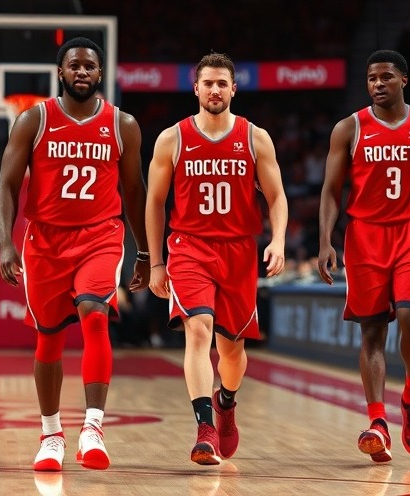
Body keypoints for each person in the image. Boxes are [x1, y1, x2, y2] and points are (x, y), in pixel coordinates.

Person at [0, 37, 150, 471]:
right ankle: (50, 434)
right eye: (74, 66)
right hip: (44, 240)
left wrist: (144, 251)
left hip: (100, 235)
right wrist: (6, 240)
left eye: (89, 66)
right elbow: (7, 185)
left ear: (100, 74)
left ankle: (93, 427)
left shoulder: (123, 124)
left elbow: (135, 192)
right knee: (48, 338)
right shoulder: (33, 119)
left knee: (94, 312)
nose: (81, 72)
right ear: (60, 73)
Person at [318, 50, 410, 463]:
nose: (377, 84)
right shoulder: (348, 129)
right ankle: (378, 421)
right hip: (364, 235)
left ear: (404, 80)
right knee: (371, 332)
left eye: (386, 76)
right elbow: (331, 190)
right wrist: (325, 240)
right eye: (371, 78)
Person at [146, 52, 288, 465]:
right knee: (198, 330)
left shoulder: (254, 137)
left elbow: (277, 196)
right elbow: (155, 203)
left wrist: (277, 239)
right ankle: (204, 428)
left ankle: (226, 401)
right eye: (207, 83)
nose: (214, 89)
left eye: (221, 83)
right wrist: (156, 262)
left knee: (232, 352)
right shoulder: (172, 138)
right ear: (195, 88)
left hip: (239, 251)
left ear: (233, 88)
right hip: (190, 246)